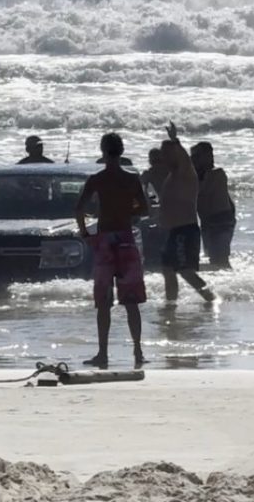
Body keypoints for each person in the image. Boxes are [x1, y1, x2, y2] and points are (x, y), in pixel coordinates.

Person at [75, 132, 150, 368]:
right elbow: (145, 209)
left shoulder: (97, 179)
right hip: (126, 239)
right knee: (131, 301)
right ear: (122, 151)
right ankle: (137, 351)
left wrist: (86, 234)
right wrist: (127, 210)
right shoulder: (132, 179)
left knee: (104, 302)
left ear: (103, 151)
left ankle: (103, 353)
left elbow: (79, 209)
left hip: (106, 240)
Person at [158, 122, 216, 306]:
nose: (163, 157)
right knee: (167, 269)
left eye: (166, 154)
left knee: (185, 271)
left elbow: (183, 158)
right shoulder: (172, 175)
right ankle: (171, 304)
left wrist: (175, 140)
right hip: (174, 231)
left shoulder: (185, 171)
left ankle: (212, 299)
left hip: (186, 230)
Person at [191, 142, 236, 269]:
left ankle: (235, 285)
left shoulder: (217, 173)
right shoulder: (199, 175)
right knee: (214, 259)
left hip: (221, 221)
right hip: (208, 222)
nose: (194, 160)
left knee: (220, 260)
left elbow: (201, 190)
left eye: (196, 157)